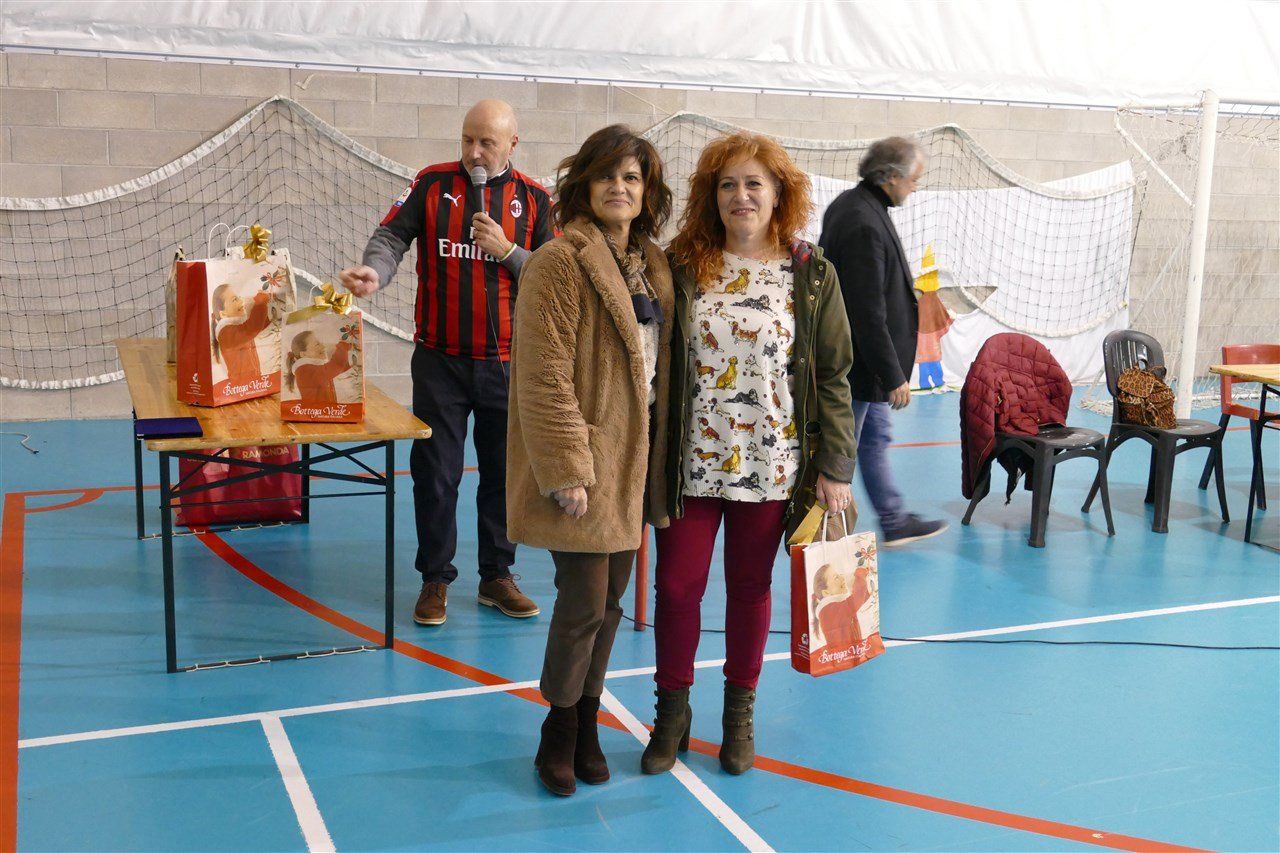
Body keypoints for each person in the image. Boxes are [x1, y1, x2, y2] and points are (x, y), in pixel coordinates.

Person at [643, 132, 857, 777]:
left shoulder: (810, 274)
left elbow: (833, 375)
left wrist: (836, 467)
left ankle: (739, 713)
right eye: (728, 184)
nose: (741, 195)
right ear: (712, 196)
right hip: (690, 461)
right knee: (676, 588)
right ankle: (671, 713)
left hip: (772, 462)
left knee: (749, 588)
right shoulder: (682, 265)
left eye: (754, 183)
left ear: (778, 194)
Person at [340, 99, 554, 626]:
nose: (475, 152)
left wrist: (507, 251)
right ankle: (434, 578)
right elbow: (391, 237)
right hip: (440, 362)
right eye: (467, 140)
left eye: (487, 143)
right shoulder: (432, 183)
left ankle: (497, 576)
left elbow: (554, 277)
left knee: (503, 476)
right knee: (436, 475)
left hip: (508, 364)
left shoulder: (536, 199)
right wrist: (374, 271)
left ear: (512, 145)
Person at [507, 124, 674, 796]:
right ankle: (558, 726)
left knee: (609, 603)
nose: (619, 187)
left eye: (632, 177)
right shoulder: (558, 261)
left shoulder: (651, 265)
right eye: (607, 175)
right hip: (587, 460)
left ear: (647, 192)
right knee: (582, 603)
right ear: (584, 184)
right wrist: (567, 466)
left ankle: (586, 719)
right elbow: (542, 373)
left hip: (634, 463)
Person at [819, 136, 948, 547]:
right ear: (890, 176)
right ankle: (824, 540)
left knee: (874, 439)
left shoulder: (859, 206)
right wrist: (893, 375)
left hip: (864, 366)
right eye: (913, 179)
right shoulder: (862, 220)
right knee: (839, 455)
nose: (914, 187)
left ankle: (893, 520)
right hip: (860, 367)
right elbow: (866, 311)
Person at [211, 284, 272, 385]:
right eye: (235, 299)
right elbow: (252, 328)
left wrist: (266, 305)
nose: (241, 301)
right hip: (241, 384)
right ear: (223, 314)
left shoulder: (237, 327)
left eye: (239, 297)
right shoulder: (226, 333)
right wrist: (260, 303)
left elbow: (258, 326)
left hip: (252, 381)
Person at [284, 330, 353, 402]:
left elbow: (339, 368)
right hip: (318, 408)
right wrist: (343, 345)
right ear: (304, 354)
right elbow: (336, 365)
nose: (323, 346)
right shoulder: (305, 370)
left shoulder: (311, 368)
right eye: (317, 344)